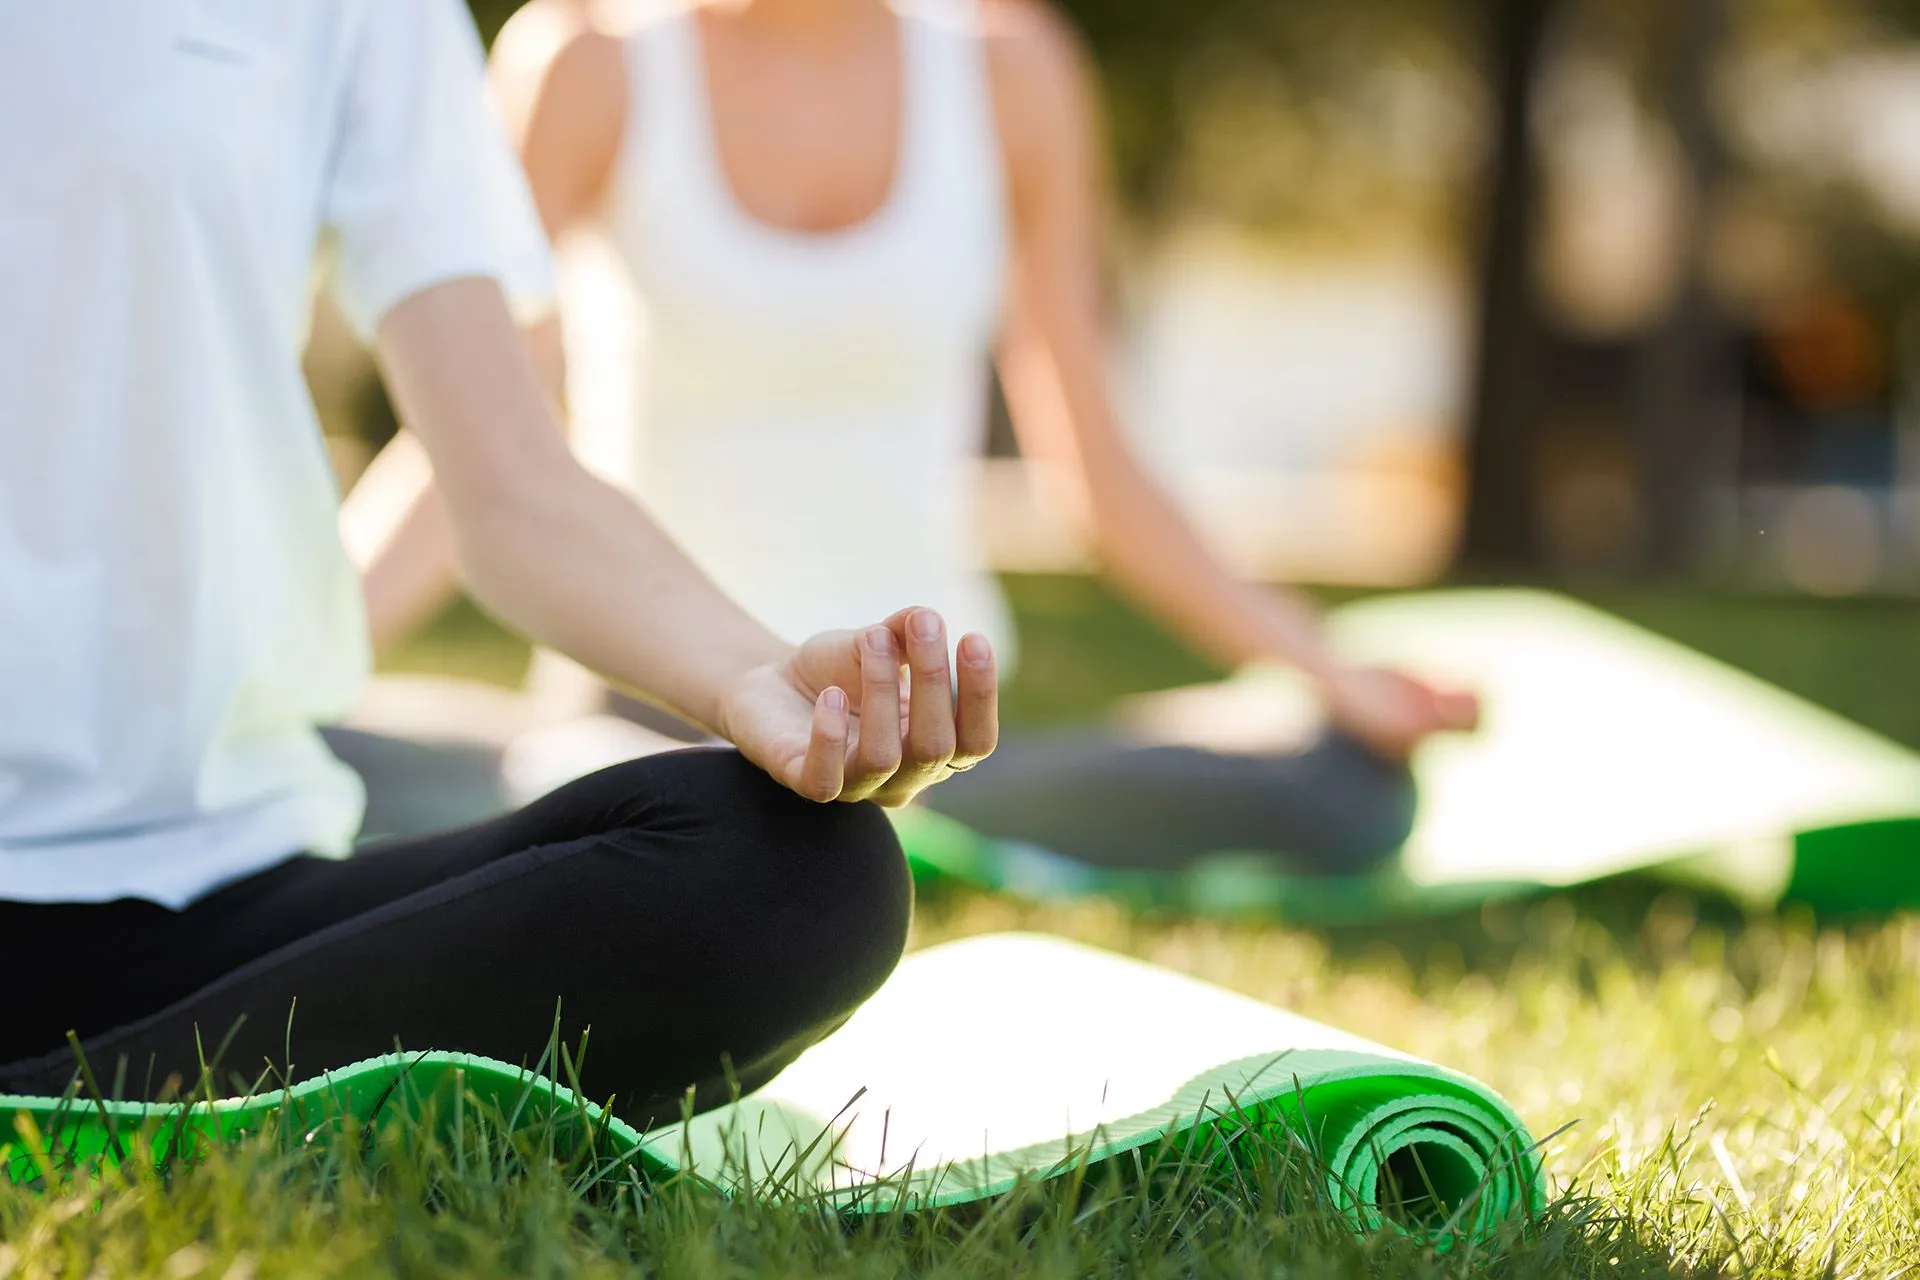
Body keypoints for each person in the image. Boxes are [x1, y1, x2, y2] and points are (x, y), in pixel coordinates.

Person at [0, 0, 996, 1127]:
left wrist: (760, 679)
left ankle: (56, 1105)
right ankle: (103, 1112)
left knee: (804, 875)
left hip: (223, 883)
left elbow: (508, 478)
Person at [346, 0, 1478, 879]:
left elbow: (1095, 468)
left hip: (938, 754)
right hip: (646, 734)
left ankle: (818, 842)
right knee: (643, 807)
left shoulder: (1009, 73)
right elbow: (477, 455)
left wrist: (1327, 671)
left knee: (1345, 790)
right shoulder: (587, 62)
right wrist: (273, 672)